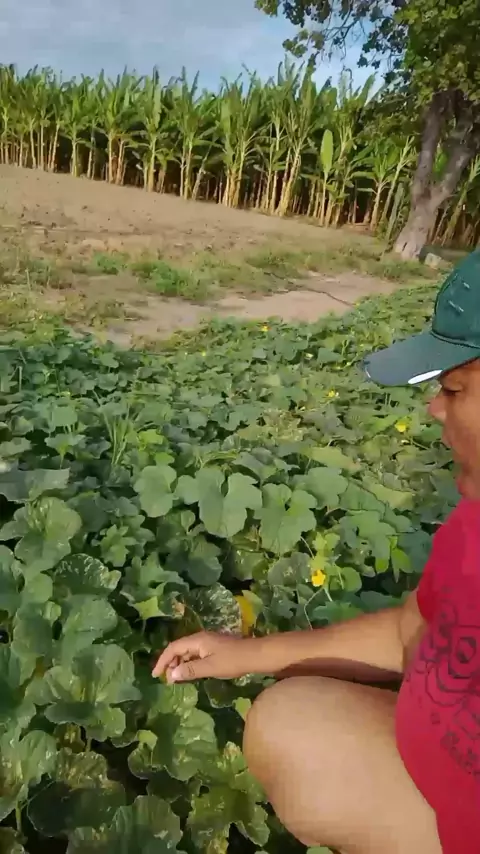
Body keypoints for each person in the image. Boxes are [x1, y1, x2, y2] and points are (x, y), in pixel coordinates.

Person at [153, 251, 480, 854]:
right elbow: (413, 629)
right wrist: (249, 654)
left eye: (454, 387)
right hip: (442, 801)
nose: (434, 407)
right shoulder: (472, 523)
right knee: (292, 721)